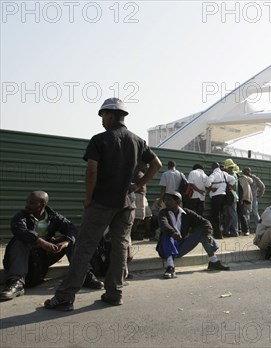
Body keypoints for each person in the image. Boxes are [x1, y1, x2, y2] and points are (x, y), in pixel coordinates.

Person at [45, 97, 162, 311]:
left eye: (103, 116)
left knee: (84, 247)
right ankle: (114, 293)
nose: (102, 120)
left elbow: (91, 170)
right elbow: (157, 164)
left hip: (101, 201)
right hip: (126, 203)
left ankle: (65, 297)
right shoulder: (137, 141)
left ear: (110, 115)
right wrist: (139, 185)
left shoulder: (100, 140)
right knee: (120, 246)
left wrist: (89, 198)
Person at [1, 191, 103, 301]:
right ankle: (16, 283)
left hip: (43, 256)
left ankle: (84, 276)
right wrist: (41, 242)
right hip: (27, 257)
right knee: (19, 242)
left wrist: (66, 243)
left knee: (71, 241)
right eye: (27, 202)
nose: (27, 205)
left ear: (42, 204)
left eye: (31, 203)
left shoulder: (53, 217)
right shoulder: (21, 216)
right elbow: (20, 230)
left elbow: (71, 229)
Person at [156, 192, 229, 279]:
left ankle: (214, 261)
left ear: (178, 202)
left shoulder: (186, 213)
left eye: (169, 200)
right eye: (165, 200)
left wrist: (208, 233)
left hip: (181, 245)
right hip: (166, 247)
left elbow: (205, 222)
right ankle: (170, 267)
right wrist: (173, 233)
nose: (166, 202)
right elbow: (164, 225)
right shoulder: (163, 213)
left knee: (203, 232)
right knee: (167, 236)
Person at [207, 162, 234, 239]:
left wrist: (211, 187)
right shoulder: (224, 174)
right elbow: (233, 179)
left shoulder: (214, 174)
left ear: (213, 168)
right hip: (223, 196)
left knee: (215, 215)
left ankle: (217, 234)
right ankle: (221, 232)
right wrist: (228, 186)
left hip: (216, 197)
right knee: (221, 215)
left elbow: (207, 183)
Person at [237, 167, 254, 236]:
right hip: (247, 199)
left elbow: (241, 190)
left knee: (242, 215)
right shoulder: (248, 179)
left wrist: (241, 199)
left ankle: (245, 230)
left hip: (242, 199)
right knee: (245, 214)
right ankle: (244, 229)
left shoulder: (242, 179)